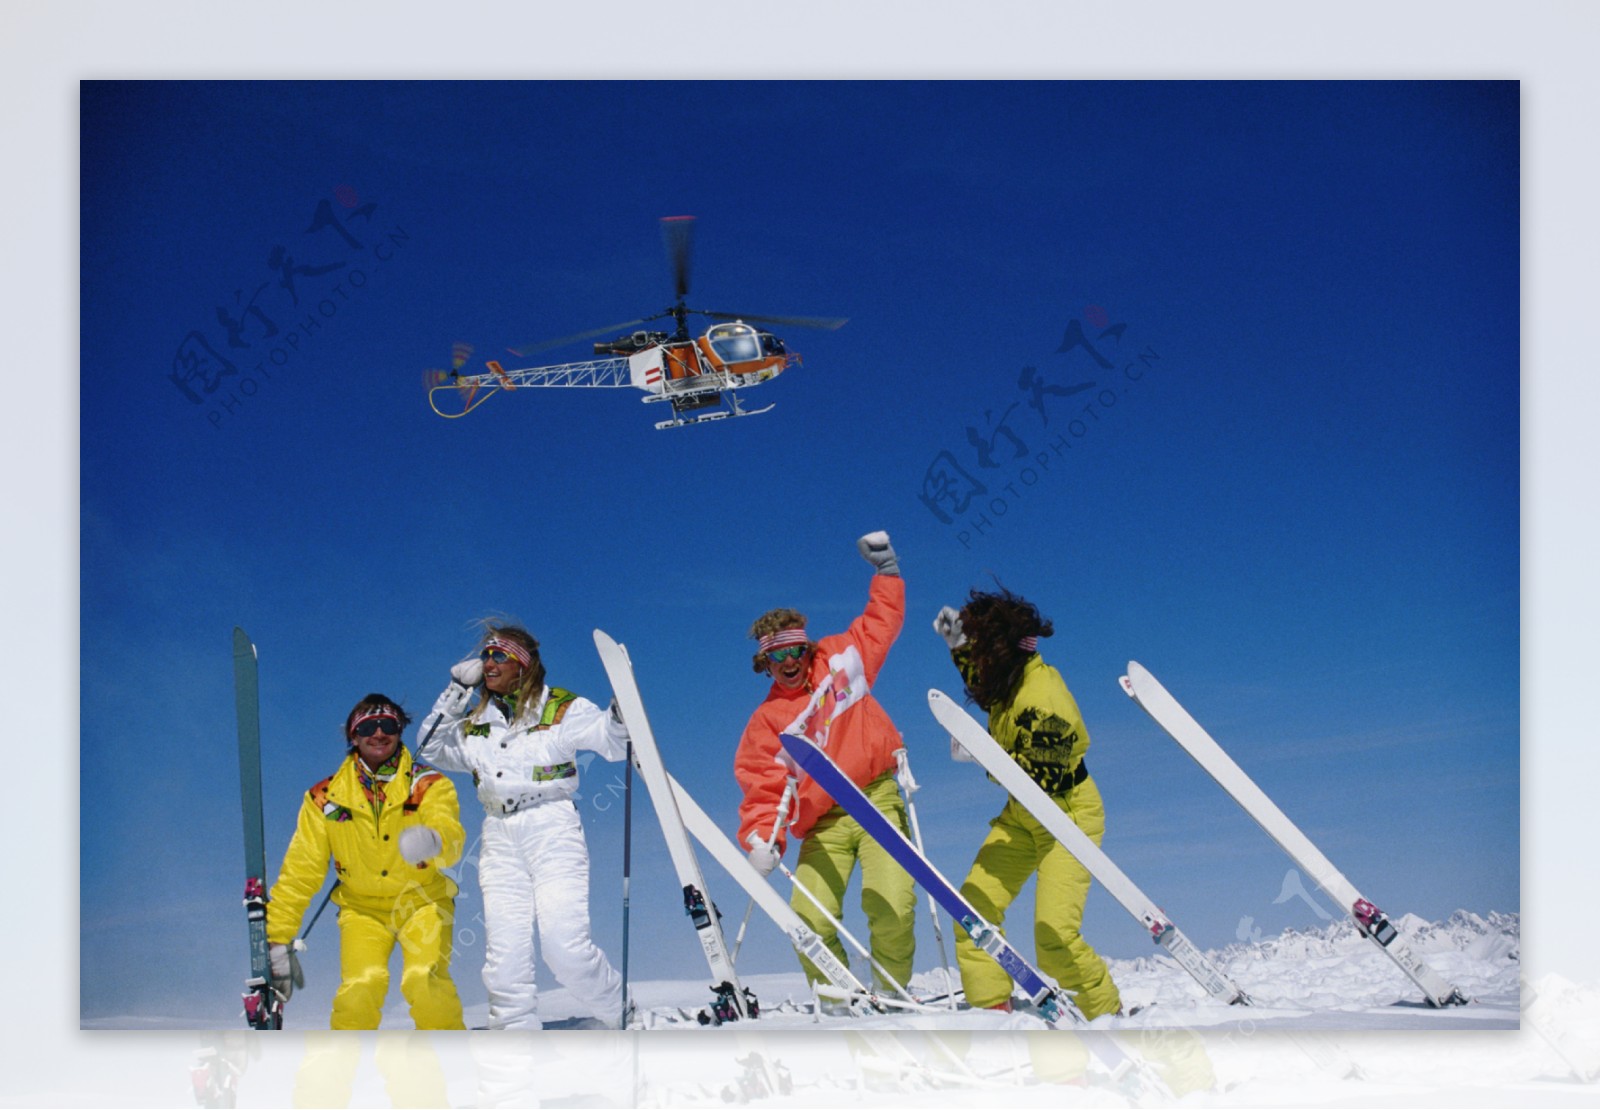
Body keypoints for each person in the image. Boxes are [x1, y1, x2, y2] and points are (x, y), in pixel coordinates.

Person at [417, 623, 629, 1030]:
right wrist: (455, 694)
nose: (488, 663)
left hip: (551, 826)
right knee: (505, 959)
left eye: (499, 656)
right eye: (485, 657)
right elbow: (430, 748)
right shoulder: (476, 721)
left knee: (565, 949)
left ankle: (623, 1015)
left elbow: (613, 743)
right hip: (498, 833)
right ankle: (514, 1041)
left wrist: (621, 717)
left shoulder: (561, 707)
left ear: (523, 665)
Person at [734, 531, 917, 992]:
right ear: (765, 666)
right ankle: (840, 1000)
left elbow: (880, 623)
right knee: (808, 917)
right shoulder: (766, 722)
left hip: (874, 799)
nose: (788, 662)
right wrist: (764, 840)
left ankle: (892, 996)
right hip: (822, 823)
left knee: (890, 904)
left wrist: (887, 573)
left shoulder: (840, 661)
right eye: (776, 658)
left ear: (807, 648)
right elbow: (764, 787)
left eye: (794, 651)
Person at [933, 588, 1123, 1019]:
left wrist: (984, 752)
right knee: (973, 915)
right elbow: (984, 684)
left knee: (1053, 934)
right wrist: (957, 644)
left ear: (1000, 652)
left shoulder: (1043, 699)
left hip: (1068, 813)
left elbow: (1047, 776)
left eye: (981, 653)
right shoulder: (1010, 674)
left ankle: (1108, 1017)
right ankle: (993, 1015)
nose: (977, 667)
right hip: (1023, 814)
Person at [266, 693, 467, 1030]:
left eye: (388, 724)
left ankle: (453, 1067)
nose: (378, 733)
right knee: (360, 988)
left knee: (424, 980)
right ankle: (344, 1074)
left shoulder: (427, 784)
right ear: (353, 736)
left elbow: (451, 833)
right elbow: (302, 870)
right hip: (362, 911)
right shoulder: (324, 797)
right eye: (368, 726)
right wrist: (277, 939)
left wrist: (434, 841)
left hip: (422, 902)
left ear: (400, 730)